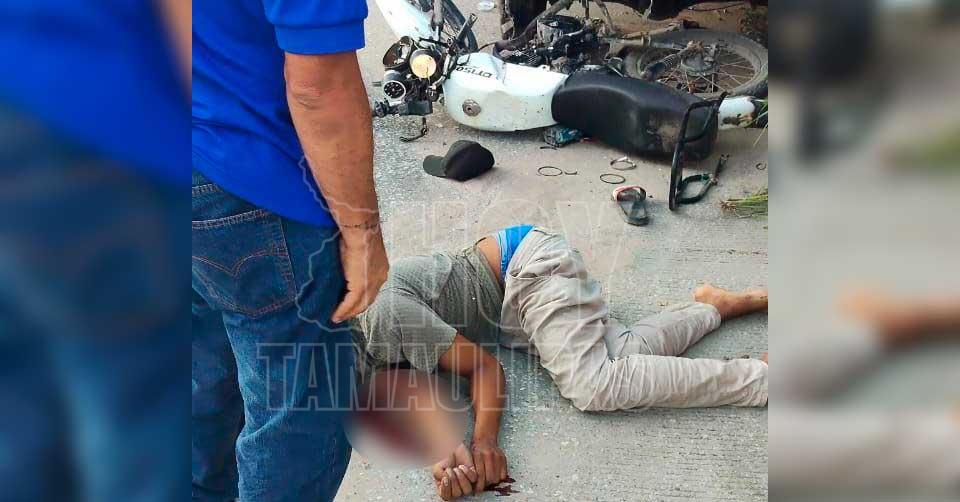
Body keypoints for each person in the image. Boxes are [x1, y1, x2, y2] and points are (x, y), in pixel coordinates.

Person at [351, 225, 769, 499]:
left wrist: (484, 442)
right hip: (510, 313)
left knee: (594, 385)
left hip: (530, 268)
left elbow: (483, 369)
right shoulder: (351, 363)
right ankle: (714, 307)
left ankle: (761, 378)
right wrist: (445, 458)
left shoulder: (380, 315)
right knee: (624, 357)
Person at [192, 0, 388, 500]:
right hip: (243, 181)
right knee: (295, 418)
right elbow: (318, 86)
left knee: (198, 383)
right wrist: (362, 231)